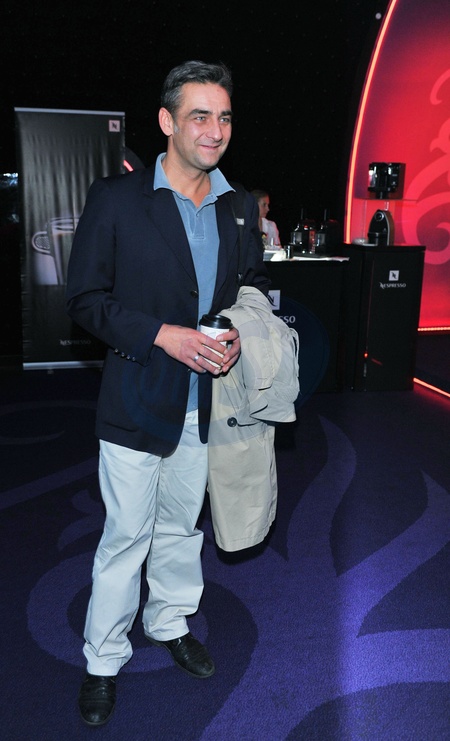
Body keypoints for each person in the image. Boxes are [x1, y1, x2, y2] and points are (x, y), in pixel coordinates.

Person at [66, 60, 271, 728]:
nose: (215, 130)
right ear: (167, 121)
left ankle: (170, 620)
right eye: (199, 116)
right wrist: (161, 335)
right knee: (126, 534)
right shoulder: (117, 199)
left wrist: (237, 331)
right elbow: (85, 300)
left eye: (225, 117)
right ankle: (103, 659)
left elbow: (247, 288)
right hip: (135, 397)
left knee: (182, 527)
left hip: (206, 404)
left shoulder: (238, 207)